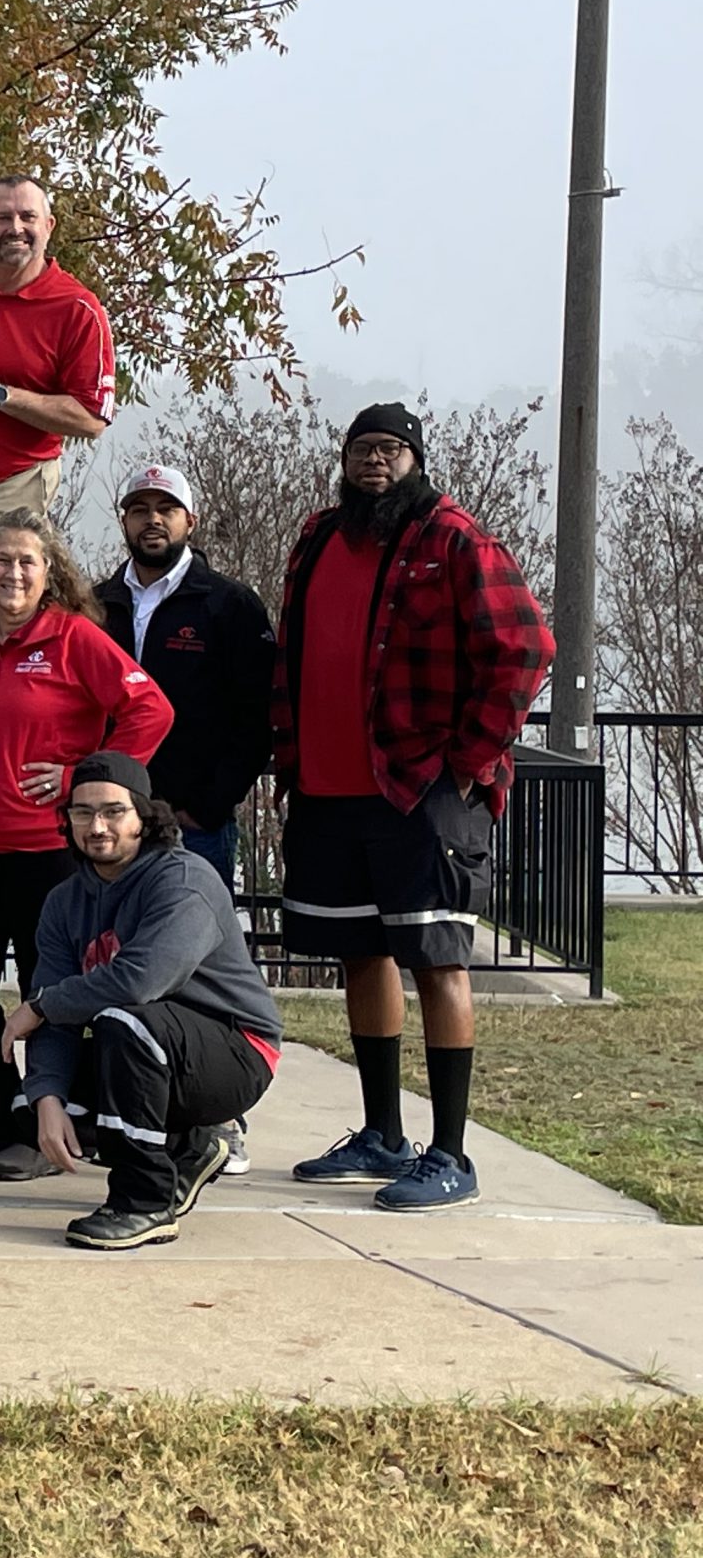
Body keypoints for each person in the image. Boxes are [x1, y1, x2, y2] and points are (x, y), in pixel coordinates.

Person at [274, 404, 553, 1210]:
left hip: (419, 790)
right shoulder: (319, 535)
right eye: (362, 448)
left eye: (391, 450)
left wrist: (468, 763)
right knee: (360, 953)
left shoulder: (453, 538)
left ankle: (452, 1154)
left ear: (416, 460)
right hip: (327, 788)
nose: (375, 462)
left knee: (439, 961)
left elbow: (526, 647)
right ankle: (382, 1135)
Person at [0, 509, 171, 1181]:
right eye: (2, 560)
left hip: (46, 858)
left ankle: (54, 1135)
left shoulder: (74, 637)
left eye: (28, 561)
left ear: (49, 572)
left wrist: (85, 777)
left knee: (49, 996)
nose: (14, 572)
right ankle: (11, 1121)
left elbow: (151, 710)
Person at [0, 752, 283, 1250]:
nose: (97, 825)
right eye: (82, 813)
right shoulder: (64, 902)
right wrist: (47, 1097)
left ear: (144, 818)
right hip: (148, 1046)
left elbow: (140, 982)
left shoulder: (183, 880)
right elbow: (55, 1012)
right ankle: (191, 1148)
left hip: (236, 1052)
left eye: (113, 811)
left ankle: (144, 1202)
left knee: (123, 1021)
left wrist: (41, 1006)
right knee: (31, 1104)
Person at [93, 462, 276, 890]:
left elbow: (258, 715)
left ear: (190, 521)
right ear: (124, 522)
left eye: (167, 509)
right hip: (109, 818)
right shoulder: (95, 606)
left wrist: (209, 805)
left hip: (194, 827)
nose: (153, 519)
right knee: (109, 946)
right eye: (140, 509)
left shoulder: (230, 604)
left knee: (195, 950)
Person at [0, 176, 116, 537]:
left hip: (13, 484)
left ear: (49, 226)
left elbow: (92, 419)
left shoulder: (77, 309)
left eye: (28, 217)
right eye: (2, 218)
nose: (16, 228)